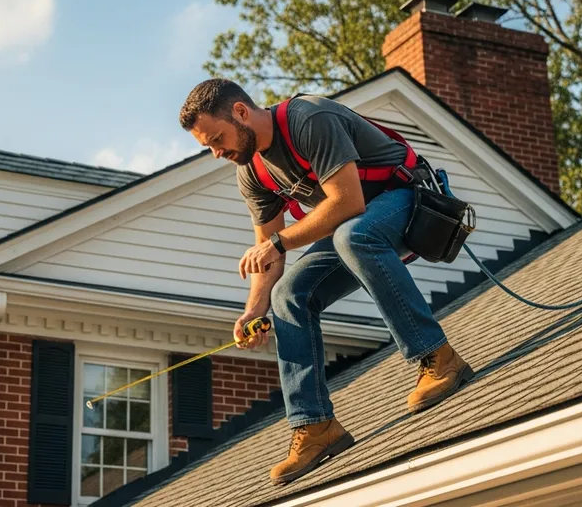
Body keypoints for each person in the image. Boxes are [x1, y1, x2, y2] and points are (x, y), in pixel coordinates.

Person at [178, 78, 473, 485]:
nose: (215, 152)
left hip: (407, 200)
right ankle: (315, 427)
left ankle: (440, 359)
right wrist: (253, 310)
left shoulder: (307, 119)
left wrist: (279, 243)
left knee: (353, 235)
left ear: (241, 113)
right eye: (207, 146)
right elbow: (267, 250)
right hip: (353, 228)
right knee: (287, 295)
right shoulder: (252, 171)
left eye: (217, 138)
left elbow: (347, 201)